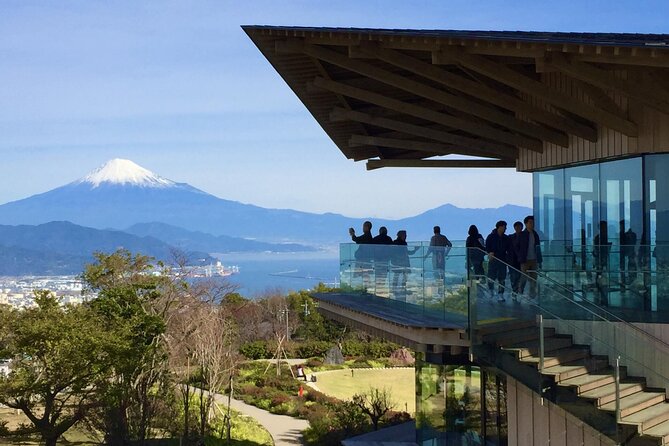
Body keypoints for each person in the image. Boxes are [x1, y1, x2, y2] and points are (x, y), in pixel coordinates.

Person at [516, 216, 543, 300]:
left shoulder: (535, 234)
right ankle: (520, 293)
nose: (532, 224)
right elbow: (516, 246)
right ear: (526, 224)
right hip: (525, 260)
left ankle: (532, 296)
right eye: (530, 222)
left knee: (533, 279)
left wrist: (539, 260)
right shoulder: (522, 234)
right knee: (523, 277)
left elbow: (538, 247)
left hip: (534, 259)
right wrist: (520, 256)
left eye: (533, 222)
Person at [485, 221, 510, 302]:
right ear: (500, 227)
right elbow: (487, 246)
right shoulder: (491, 237)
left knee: (502, 278)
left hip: (502, 260)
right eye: (504, 227)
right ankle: (491, 291)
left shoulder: (506, 238)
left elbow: (508, 248)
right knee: (491, 276)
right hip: (493, 259)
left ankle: (501, 294)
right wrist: (490, 252)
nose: (505, 228)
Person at [391, 230, 418, 301]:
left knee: (397, 276)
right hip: (402, 262)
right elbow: (407, 253)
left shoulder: (394, 243)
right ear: (402, 235)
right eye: (405, 235)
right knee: (404, 275)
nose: (406, 236)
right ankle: (402, 288)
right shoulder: (403, 243)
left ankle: (395, 289)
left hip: (396, 263)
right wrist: (415, 250)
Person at [425, 226, 453, 296]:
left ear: (434, 231)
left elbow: (430, 248)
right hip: (442, 256)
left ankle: (439, 289)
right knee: (442, 272)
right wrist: (446, 253)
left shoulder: (433, 238)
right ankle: (442, 289)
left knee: (436, 272)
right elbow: (450, 244)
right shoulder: (443, 237)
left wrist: (426, 255)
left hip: (435, 256)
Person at [349, 221, 374, 290]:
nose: (362, 228)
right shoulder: (368, 236)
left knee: (365, 274)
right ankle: (366, 288)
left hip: (364, 259)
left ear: (366, 227)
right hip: (365, 259)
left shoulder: (366, 236)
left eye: (363, 226)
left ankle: (367, 288)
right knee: (365, 274)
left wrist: (352, 234)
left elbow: (357, 240)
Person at [593, 220, 611, 306]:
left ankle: (602, 297)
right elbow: (600, 250)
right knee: (601, 279)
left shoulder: (599, 237)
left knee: (600, 278)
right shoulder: (602, 237)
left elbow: (596, 251)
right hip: (602, 261)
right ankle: (603, 297)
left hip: (601, 261)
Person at [372, 226, 393, 295]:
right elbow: (391, 249)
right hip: (385, 261)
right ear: (386, 232)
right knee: (383, 276)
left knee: (377, 276)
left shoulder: (375, 239)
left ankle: (377, 291)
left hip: (377, 261)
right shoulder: (389, 239)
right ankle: (380, 291)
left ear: (379, 231)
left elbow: (372, 250)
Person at [508, 221, 523, 300]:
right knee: (513, 277)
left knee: (520, 278)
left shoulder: (525, 237)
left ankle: (519, 292)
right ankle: (515, 292)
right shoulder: (510, 237)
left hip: (521, 261)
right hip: (512, 261)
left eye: (519, 227)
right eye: (516, 227)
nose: (518, 229)